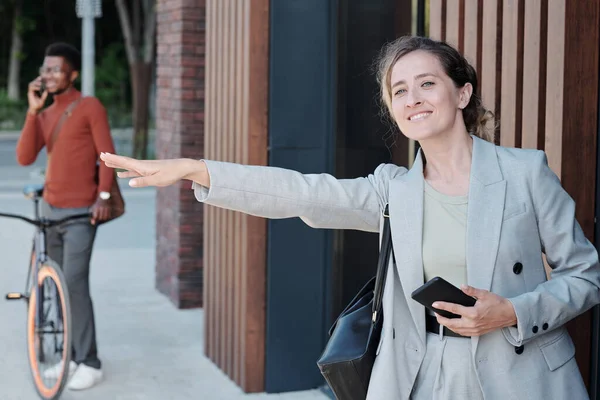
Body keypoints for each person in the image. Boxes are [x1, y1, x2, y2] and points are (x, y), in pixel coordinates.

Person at [100, 36, 600, 399]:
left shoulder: (524, 172)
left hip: (523, 372)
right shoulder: (394, 190)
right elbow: (300, 192)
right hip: (423, 373)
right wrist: (196, 168)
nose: (413, 99)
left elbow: (585, 275)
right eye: (399, 91)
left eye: (427, 83)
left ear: (462, 93)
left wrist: (511, 311)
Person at [16, 42, 115, 390]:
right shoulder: (45, 114)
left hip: (79, 213)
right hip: (49, 211)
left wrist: (103, 196)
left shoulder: (89, 107)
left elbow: (107, 154)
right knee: (54, 287)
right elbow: (26, 157)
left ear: (72, 74)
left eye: (56, 69)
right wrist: (32, 112)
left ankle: (89, 361)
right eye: (46, 69)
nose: (49, 74)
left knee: (73, 283)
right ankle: (70, 357)